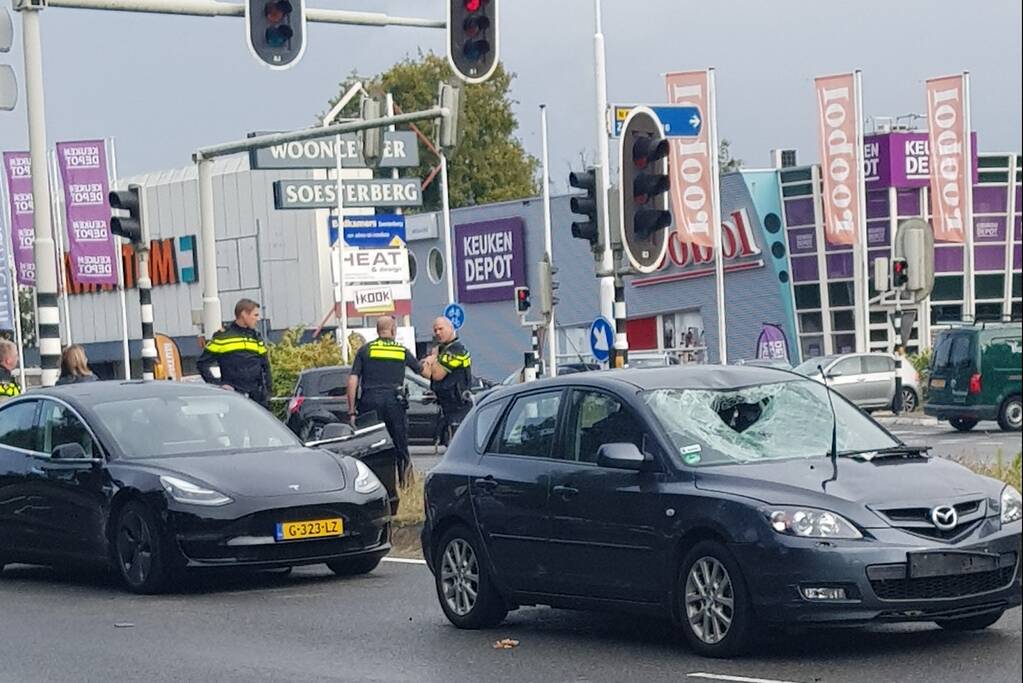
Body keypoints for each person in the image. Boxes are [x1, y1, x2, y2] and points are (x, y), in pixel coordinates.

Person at [346, 316, 421, 489]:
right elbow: (422, 371)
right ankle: (406, 487)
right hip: (395, 402)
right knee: (400, 445)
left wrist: (351, 411)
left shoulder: (365, 350)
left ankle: (372, 486)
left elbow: (352, 380)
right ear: (393, 330)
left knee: (370, 447)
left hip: (369, 402)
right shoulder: (401, 350)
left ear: (377, 331)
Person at [197, 298, 272, 408]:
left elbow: (265, 366)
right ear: (244, 314)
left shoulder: (256, 337)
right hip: (233, 396)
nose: (258, 319)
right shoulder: (223, 337)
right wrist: (218, 385)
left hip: (257, 397)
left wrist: (268, 393)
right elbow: (202, 364)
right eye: (255, 315)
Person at [421, 316, 473, 441]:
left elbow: (437, 375)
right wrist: (430, 364)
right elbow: (426, 373)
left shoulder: (456, 350)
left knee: (459, 443)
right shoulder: (443, 349)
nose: (438, 333)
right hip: (448, 406)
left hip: (459, 406)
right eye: (435, 330)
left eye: (440, 329)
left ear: (450, 328)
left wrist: (431, 359)